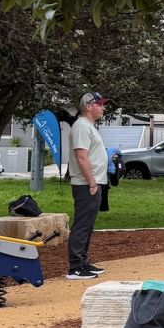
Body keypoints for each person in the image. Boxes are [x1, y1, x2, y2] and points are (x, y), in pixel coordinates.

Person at [67, 92, 110, 280]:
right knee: (82, 224)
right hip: (86, 184)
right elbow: (81, 156)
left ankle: (83, 262)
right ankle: (75, 267)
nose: (103, 107)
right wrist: (92, 181)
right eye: (99, 104)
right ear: (89, 106)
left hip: (93, 182)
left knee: (88, 224)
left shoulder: (88, 127)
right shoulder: (81, 126)